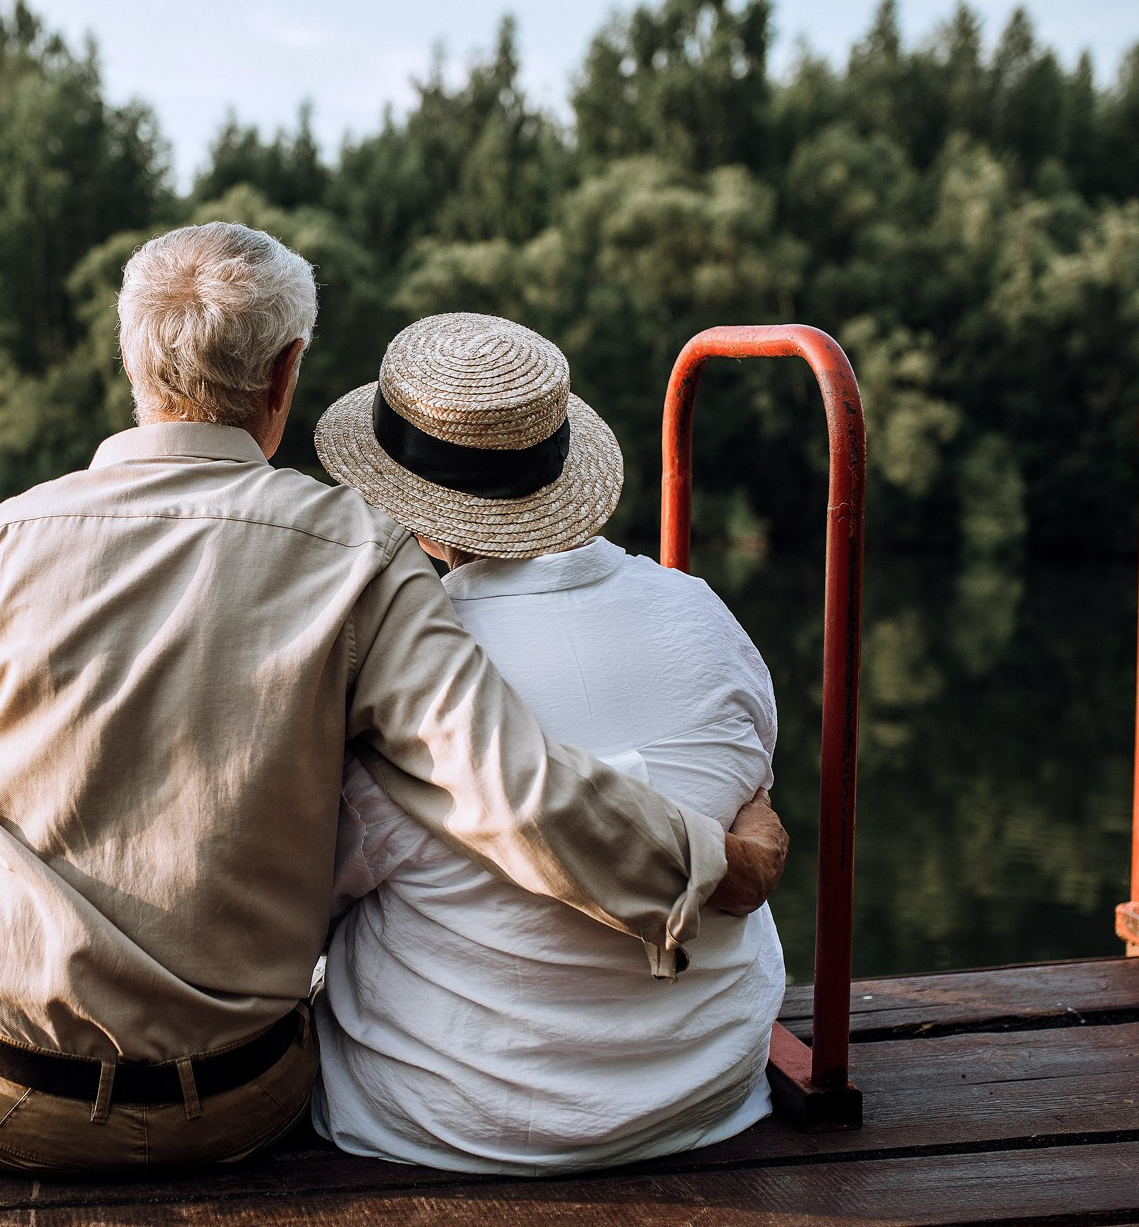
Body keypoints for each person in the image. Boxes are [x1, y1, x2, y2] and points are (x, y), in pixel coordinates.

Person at [0, 223, 788, 1174]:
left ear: (129, 358)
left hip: (4, 1104)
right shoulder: (358, 557)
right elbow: (503, 785)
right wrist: (709, 867)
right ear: (287, 373)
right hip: (238, 1107)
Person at [309, 312, 787, 1174]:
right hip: (708, 1090)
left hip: (451, 1114)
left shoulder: (403, 667)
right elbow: (753, 786)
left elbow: (319, 888)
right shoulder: (703, 617)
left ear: (408, 506)